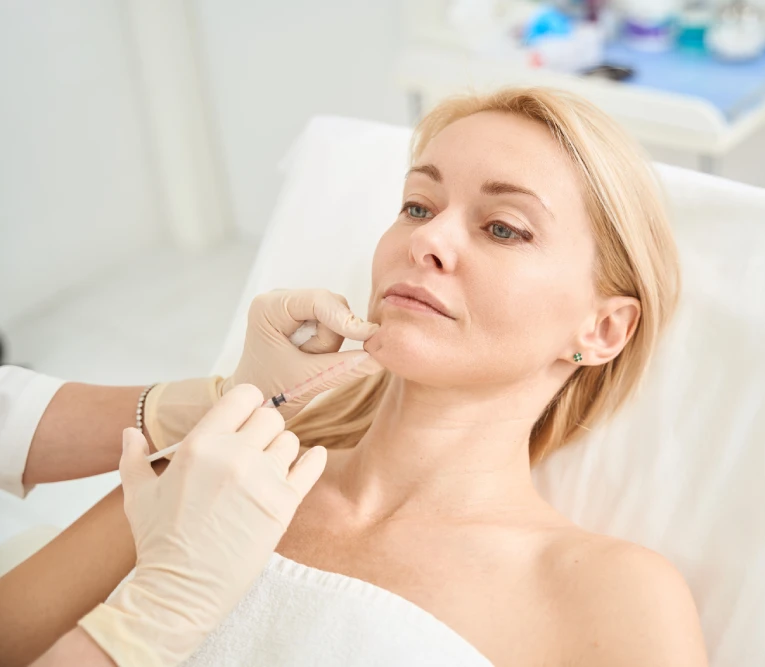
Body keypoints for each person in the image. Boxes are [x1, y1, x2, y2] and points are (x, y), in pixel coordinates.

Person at [3, 87, 709, 666]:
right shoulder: (215, 472)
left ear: (603, 328)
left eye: (502, 227)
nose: (427, 240)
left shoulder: (610, 594)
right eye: (417, 206)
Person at [0, 290, 383, 665]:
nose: (427, 241)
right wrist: (151, 621)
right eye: (416, 219)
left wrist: (208, 402)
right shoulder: (218, 468)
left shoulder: (217, 466)